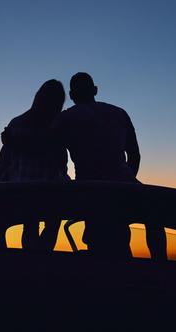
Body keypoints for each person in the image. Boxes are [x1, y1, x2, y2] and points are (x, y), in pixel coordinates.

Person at [53, 72, 140, 256]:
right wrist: (127, 182)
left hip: (88, 188)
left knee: (98, 240)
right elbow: (134, 155)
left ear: (72, 95)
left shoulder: (65, 118)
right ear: (95, 90)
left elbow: (56, 158)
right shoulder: (119, 113)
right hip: (122, 186)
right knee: (122, 238)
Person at [0, 79, 68, 250]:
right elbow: (61, 160)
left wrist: (0, 185)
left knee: (30, 226)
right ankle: (41, 258)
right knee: (51, 225)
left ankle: (31, 259)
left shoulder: (16, 125)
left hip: (22, 188)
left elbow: (4, 162)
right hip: (49, 189)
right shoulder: (56, 128)